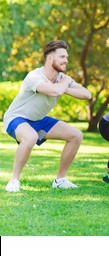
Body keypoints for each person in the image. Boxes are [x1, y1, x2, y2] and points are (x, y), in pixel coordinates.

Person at [3, 40, 91, 192]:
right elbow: (54, 92)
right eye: (62, 57)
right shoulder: (34, 76)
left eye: (67, 57)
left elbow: (86, 94)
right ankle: (13, 181)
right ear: (50, 59)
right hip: (17, 117)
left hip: (39, 120)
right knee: (30, 137)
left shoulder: (62, 79)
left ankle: (60, 180)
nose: (66, 60)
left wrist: (64, 86)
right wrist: (61, 86)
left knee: (76, 135)